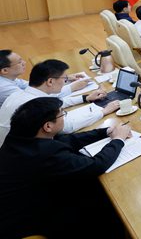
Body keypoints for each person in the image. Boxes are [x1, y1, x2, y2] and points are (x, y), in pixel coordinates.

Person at [0, 97, 131, 238]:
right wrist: (118, 140)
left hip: (18, 205)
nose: (64, 116)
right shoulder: (44, 153)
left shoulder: (19, 137)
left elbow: (66, 140)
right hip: (27, 221)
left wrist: (106, 132)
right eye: (62, 114)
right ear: (48, 126)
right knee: (103, 200)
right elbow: (96, 165)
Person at [0, 59, 119, 146]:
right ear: (50, 81)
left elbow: (56, 102)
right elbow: (67, 127)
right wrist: (103, 111)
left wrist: (86, 98)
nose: (65, 82)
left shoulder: (21, 94)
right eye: (64, 79)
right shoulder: (33, 103)